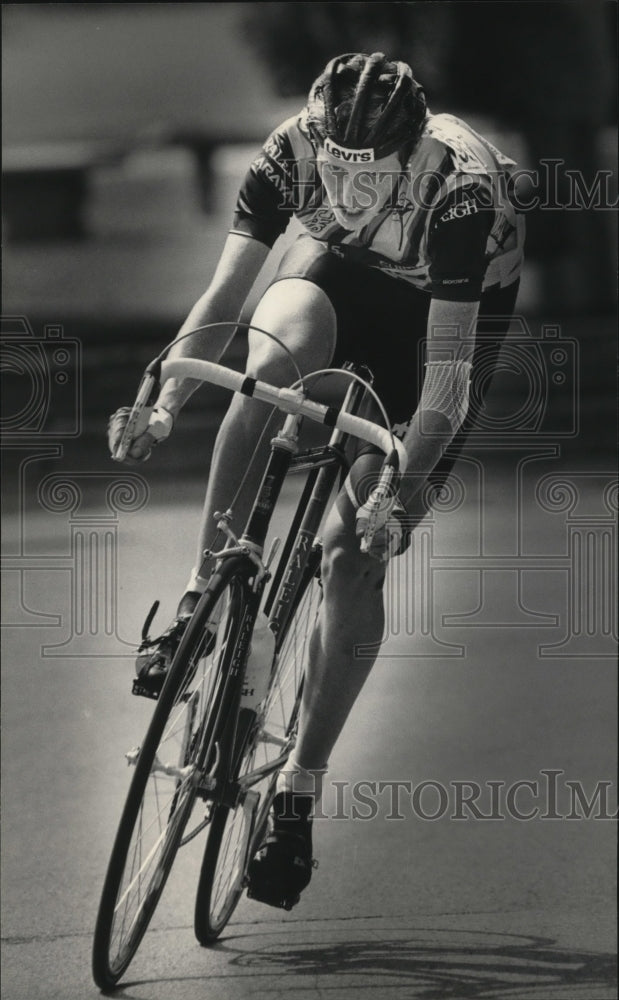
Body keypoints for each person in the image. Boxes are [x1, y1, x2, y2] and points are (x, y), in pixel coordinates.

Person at [108, 52, 524, 908]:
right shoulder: (288, 149)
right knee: (263, 371)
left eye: (374, 174)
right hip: (339, 278)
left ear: (410, 154)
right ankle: (199, 599)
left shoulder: (457, 190)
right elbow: (223, 298)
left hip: (440, 328)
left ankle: (297, 789)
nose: (355, 186)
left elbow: (445, 381)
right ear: (317, 140)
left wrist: (393, 497)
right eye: (340, 169)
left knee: (350, 553)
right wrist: (160, 401)